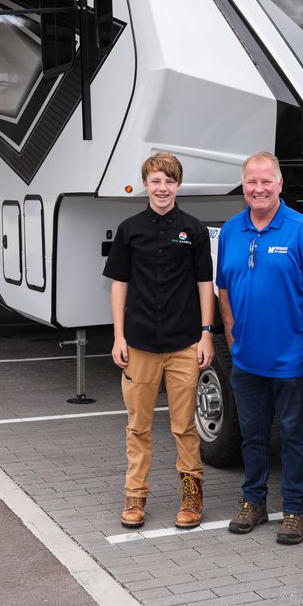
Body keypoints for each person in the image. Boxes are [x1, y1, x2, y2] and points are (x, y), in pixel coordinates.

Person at [216, 151, 303, 545]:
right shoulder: (231, 231)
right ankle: (253, 502)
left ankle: (295, 510)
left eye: (266, 181)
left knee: (292, 437)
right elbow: (224, 289)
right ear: (243, 186)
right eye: (251, 182)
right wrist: (232, 338)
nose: (259, 188)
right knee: (251, 436)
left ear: (280, 184)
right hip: (247, 361)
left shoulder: (302, 230)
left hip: (291, 362)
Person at [103, 152, 215, 530]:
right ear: (145, 184)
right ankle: (135, 496)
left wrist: (206, 334)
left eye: (169, 181)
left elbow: (205, 285)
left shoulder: (193, 230)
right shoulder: (129, 230)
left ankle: (192, 495)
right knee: (138, 427)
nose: (162, 188)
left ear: (178, 185)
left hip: (184, 345)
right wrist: (118, 336)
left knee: (184, 427)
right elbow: (119, 285)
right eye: (155, 181)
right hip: (139, 346)